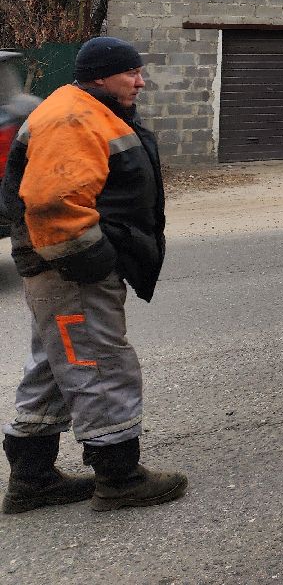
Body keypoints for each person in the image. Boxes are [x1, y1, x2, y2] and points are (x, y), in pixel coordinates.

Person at [0, 36, 187, 513]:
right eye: (133, 73)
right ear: (102, 75)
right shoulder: (73, 116)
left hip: (60, 271)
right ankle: (119, 478)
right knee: (99, 364)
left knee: (53, 364)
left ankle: (33, 478)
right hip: (70, 271)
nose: (141, 81)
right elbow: (52, 203)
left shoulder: (89, 107)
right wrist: (93, 263)